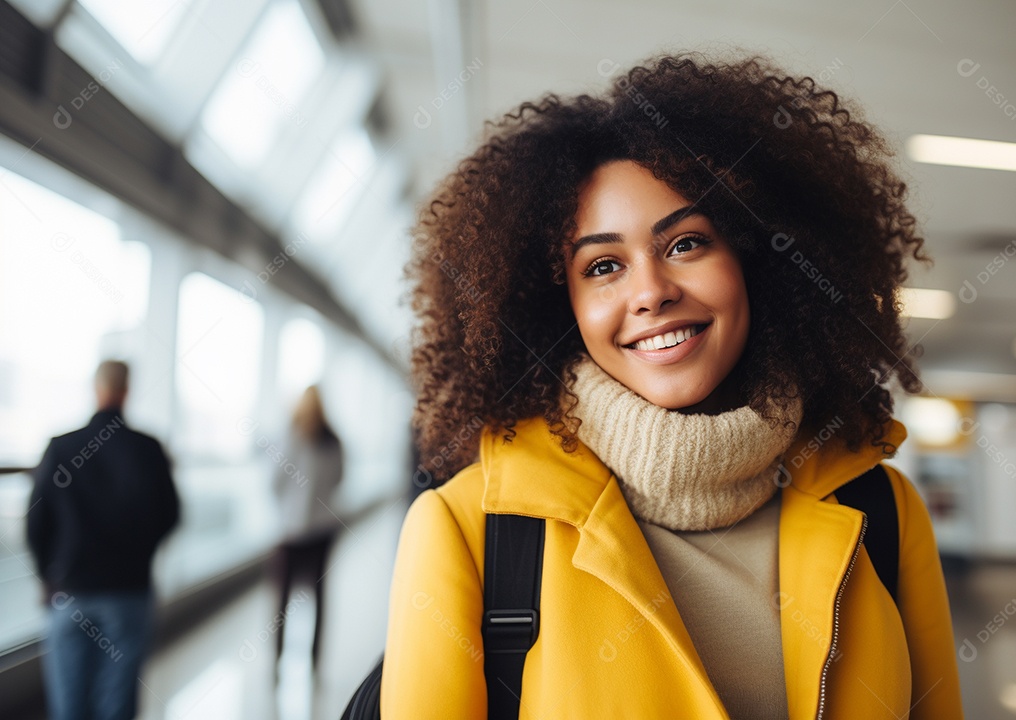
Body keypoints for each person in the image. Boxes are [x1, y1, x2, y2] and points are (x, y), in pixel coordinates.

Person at [381, 54, 964, 718]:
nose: (651, 292)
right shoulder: (471, 533)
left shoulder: (882, 514)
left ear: (758, 260)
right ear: (556, 305)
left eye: (686, 244)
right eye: (603, 265)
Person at [27, 360, 180, 720]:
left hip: (68, 589)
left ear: (96, 389)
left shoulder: (61, 447)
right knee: (118, 701)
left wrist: (46, 574)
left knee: (69, 703)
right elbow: (169, 515)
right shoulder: (149, 449)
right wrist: (141, 555)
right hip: (128, 590)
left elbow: (36, 522)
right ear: (127, 391)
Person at [271, 385, 344, 671]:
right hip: (322, 529)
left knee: (281, 599)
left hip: (289, 531)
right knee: (320, 596)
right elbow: (339, 478)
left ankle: (278, 659)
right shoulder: (332, 440)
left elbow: (274, 482)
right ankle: (314, 660)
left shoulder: (289, 437)